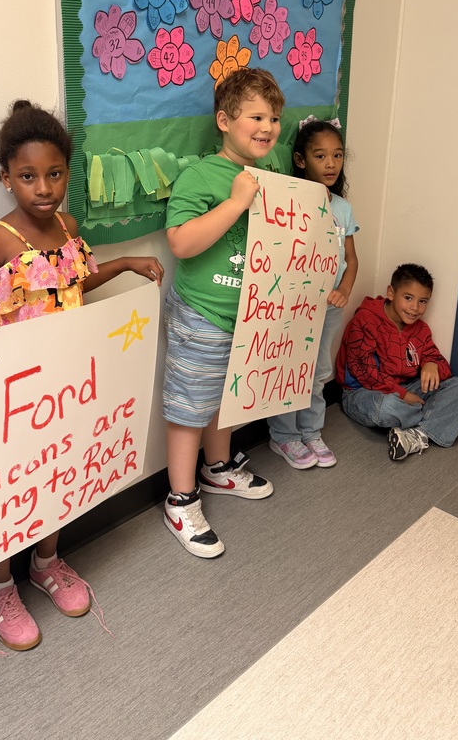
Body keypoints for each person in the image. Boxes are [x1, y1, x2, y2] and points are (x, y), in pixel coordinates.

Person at [0, 100, 164, 650]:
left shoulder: (69, 228)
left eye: (54, 174)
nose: (43, 188)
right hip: (12, 395)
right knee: (12, 485)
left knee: (57, 472)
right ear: (6, 179)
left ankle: (46, 561)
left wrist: (122, 265)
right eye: (27, 177)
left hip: (65, 385)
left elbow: (73, 285)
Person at [162, 67, 284, 558]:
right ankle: (180, 499)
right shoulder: (202, 175)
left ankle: (218, 470)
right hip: (203, 314)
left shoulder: (270, 170)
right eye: (256, 116)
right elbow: (181, 242)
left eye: (273, 117)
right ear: (224, 120)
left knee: (226, 397)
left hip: (249, 316)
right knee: (190, 407)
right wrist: (236, 203)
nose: (268, 126)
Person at [268, 119, 358, 469]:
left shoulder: (343, 208)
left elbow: (351, 260)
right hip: (294, 307)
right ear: (301, 160)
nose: (331, 163)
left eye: (337, 155)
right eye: (321, 156)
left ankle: (311, 430)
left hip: (328, 308)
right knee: (289, 368)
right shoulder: (289, 204)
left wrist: (345, 290)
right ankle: (284, 436)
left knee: (319, 372)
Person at [336, 262, 458, 460]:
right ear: (391, 293)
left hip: (407, 389)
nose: (415, 308)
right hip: (363, 393)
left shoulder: (421, 330)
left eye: (423, 301)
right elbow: (362, 372)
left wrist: (431, 364)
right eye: (408, 298)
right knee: (386, 408)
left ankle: (416, 434)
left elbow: (443, 367)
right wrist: (402, 396)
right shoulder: (366, 320)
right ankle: (448, 420)